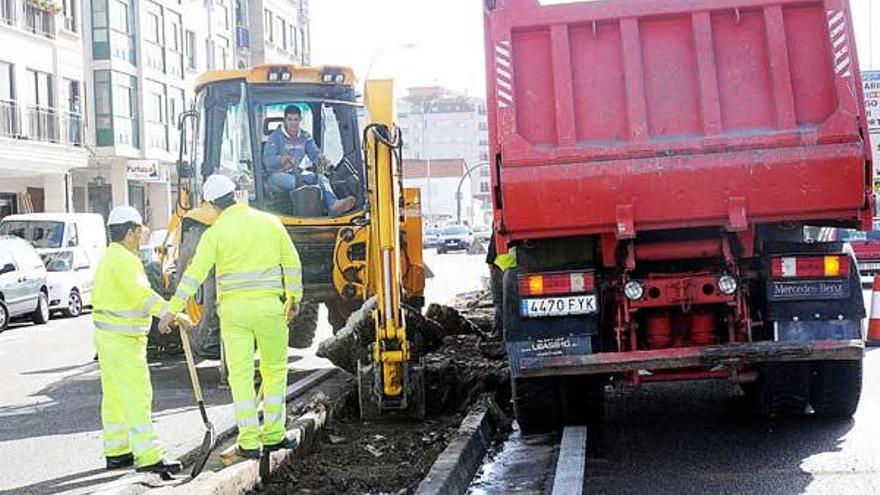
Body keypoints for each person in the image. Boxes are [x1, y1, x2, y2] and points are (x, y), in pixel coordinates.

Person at [163, 175, 303, 458]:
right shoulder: (270, 222)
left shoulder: (215, 232)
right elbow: (291, 262)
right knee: (274, 372)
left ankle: (249, 442)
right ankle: (274, 435)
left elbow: (194, 275)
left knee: (239, 376)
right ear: (237, 196)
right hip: (269, 310)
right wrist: (294, 297)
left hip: (233, 314)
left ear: (212, 204)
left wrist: (174, 308)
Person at [93, 205, 187, 475]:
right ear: (132, 232)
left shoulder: (110, 257)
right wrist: (172, 314)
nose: (144, 234)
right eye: (141, 230)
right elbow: (142, 296)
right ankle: (149, 456)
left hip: (107, 340)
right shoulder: (125, 260)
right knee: (138, 395)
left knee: (114, 397)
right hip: (124, 341)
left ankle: (117, 451)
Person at [262, 105, 356, 216]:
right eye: (290, 119)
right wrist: (281, 159)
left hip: (296, 171)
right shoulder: (275, 137)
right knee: (298, 183)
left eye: (296, 119)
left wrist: (325, 164)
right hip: (276, 174)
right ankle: (302, 214)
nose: (293, 123)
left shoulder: (305, 137)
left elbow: (315, 154)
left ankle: (333, 205)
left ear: (300, 120)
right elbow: (267, 160)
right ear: (285, 121)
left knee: (321, 179)